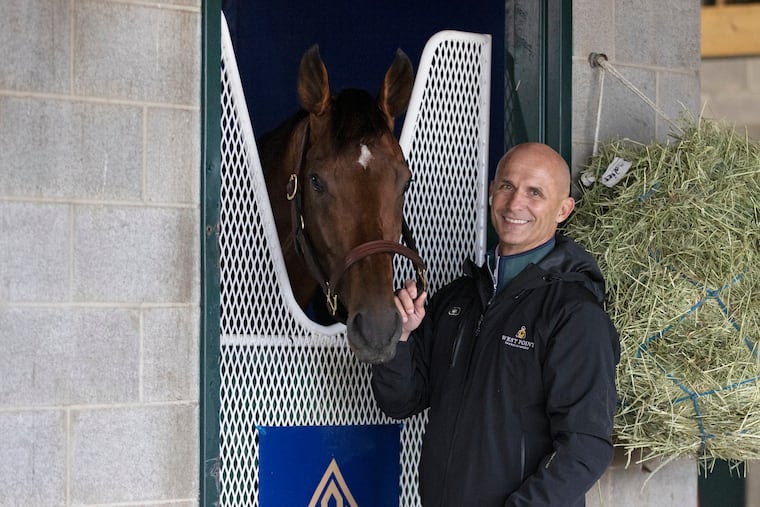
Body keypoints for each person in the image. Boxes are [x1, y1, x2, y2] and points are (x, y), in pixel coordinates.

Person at [371, 142, 620, 506]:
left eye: (535, 192)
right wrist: (402, 337)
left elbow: (586, 448)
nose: (515, 203)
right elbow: (400, 402)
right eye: (506, 186)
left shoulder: (573, 313)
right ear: (491, 192)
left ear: (563, 210)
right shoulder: (457, 299)